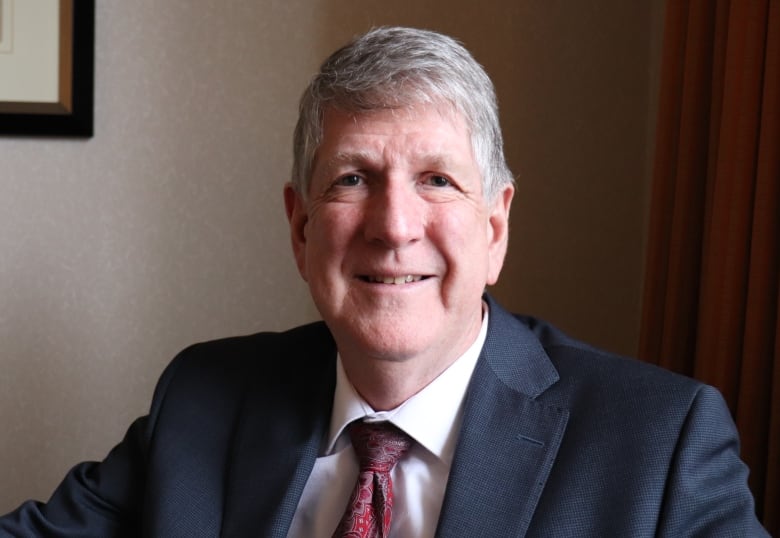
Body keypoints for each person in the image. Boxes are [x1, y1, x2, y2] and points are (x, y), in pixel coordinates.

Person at [0, 26, 768, 538]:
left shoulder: (659, 446)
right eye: (352, 178)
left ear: (495, 227)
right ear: (301, 229)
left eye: (436, 179)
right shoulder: (204, 399)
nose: (394, 225)